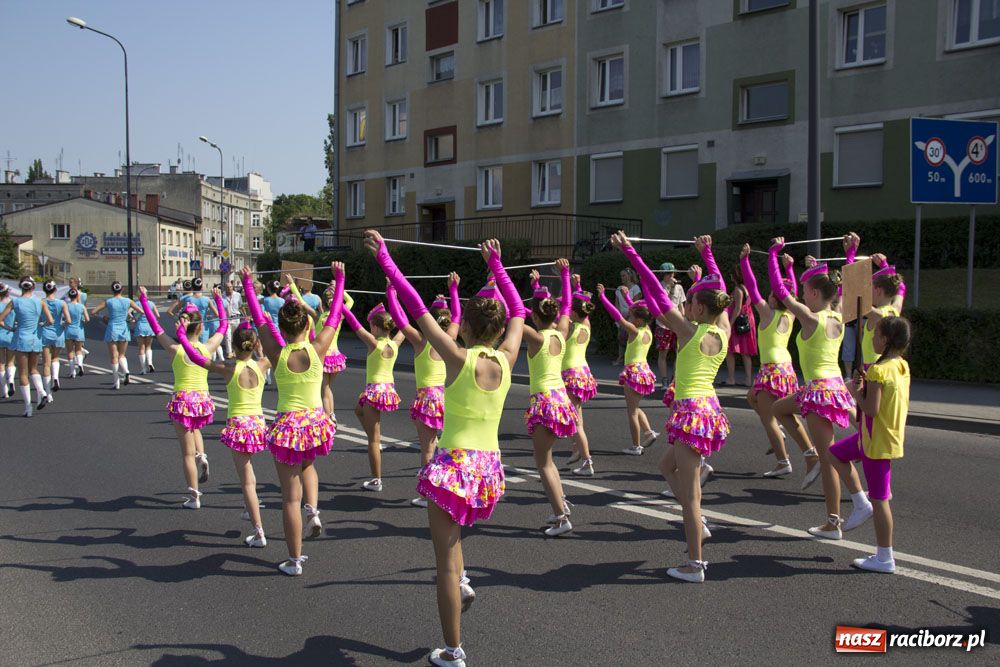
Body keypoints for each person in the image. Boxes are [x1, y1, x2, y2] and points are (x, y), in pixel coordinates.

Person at [367, 230, 522, 667]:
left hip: (454, 466)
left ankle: (453, 650)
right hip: (489, 470)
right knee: (454, 549)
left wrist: (385, 257)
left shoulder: (457, 359)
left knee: (443, 565)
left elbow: (416, 307)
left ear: (467, 328)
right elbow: (520, 311)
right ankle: (466, 581)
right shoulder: (508, 359)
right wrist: (496, 266)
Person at [614, 232, 731, 583]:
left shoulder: (689, 332)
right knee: (667, 467)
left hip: (693, 411)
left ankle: (695, 563)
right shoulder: (722, 329)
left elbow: (655, 289)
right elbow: (708, 288)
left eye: (692, 302)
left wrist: (631, 253)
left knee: (691, 496)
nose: (686, 306)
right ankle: (698, 523)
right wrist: (707, 255)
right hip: (708, 407)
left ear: (697, 307)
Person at [242, 263, 342, 576]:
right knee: (309, 465)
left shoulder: (276, 352)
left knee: (288, 499)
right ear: (306, 325)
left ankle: (294, 559)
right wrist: (339, 281)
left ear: (283, 330)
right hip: (314, 424)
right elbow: (335, 313)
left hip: (288, 426)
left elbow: (259, 318)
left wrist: (248, 283)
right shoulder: (319, 348)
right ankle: (313, 511)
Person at [767, 238, 857, 540]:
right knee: (777, 408)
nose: (800, 296)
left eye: (804, 291)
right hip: (831, 387)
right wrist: (849, 254)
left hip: (819, 392)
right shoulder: (839, 313)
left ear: (815, 293)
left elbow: (781, 292)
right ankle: (811, 455)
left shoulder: (811, 318)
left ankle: (834, 522)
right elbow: (851, 286)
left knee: (830, 458)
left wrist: (774, 255)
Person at [176, 320, 272, 548]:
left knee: (246, 480)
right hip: (258, 424)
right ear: (255, 344)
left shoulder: (229, 368)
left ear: (235, 347)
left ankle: (259, 533)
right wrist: (266, 326)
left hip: (239, 426)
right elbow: (277, 345)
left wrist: (181, 334)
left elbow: (198, 358)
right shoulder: (264, 364)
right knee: (250, 475)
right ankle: (252, 509)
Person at [829, 316, 911, 573]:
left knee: (881, 500)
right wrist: (864, 386)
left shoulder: (878, 370)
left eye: (875, 335)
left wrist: (856, 392)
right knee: (834, 454)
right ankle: (859, 501)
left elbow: (871, 409)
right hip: (878, 436)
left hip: (875, 442)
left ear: (885, 340)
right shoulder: (900, 366)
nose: (872, 339)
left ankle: (885, 557)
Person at [737, 245, 820, 481]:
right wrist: (790, 268)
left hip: (771, 369)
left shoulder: (767, 313)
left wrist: (745, 261)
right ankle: (784, 436)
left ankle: (786, 460)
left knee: (768, 417)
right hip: (786, 368)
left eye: (772, 293)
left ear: (775, 296)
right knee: (751, 397)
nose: (769, 295)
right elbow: (790, 292)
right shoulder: (791, 314)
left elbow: (751, 287)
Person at [139, 288, 225, 508]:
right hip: (203, 400)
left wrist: (144, 300)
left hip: (183, 400)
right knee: (195, 428)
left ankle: (194, 496)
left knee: (186, 453)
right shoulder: (208, 347)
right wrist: (218, 300)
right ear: (202, 327)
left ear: (182, 327)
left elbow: (155, 326)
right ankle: (203, 455)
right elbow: (223, 325)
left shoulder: (176, 349)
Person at [385, 274, 461, 508]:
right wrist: (453, 290)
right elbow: (457, 315)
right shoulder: (451, 339)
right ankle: (448, 487)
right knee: (446, 446)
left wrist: (391, 293)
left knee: (428, 449)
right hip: (448, 398)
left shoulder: (421, 340)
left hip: (428, 399)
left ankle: (430, 493)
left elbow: (399, 319)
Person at [522, 260, 577, 536]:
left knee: (543, 462)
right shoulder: (562, 333)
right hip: (561, 400)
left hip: (544, 402)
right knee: (549, 460)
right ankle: (561, 505)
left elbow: (514, 312)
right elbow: (566, 305)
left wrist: (495, 280)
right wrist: (565, 275)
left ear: (534, 315)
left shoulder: (536, 339)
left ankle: (560, 516)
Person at [347, 289, 405, 492]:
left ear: (377, 327)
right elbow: (404, 323)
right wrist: (393, 296)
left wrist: (343, 308)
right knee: (357, 410)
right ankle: (376, 441)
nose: (368, 327)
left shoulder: (374, 343)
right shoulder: (395, 342)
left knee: (373, 439)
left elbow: (354, 325)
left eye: (371, 324)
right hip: (387, 389)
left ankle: (376, 480)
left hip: (375, 391)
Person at [597, 284, 658, 456]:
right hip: (644, 370)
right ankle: (649, 432)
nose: (628, 318)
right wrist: (626, 296)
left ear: (637, 320)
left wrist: (602, 297)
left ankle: (636, 446)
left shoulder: (634, 331)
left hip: (633, 372)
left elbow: (618, 317)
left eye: (631, 316)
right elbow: (638, 310)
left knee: (631, 411)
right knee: (636, 407)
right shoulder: (647, 329)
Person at [0, 277, 54, 415]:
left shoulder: (15, 302)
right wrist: (41, 325)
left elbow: (0, 318)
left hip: (21, 338)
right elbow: (50, 320)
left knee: (23, 373)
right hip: (35, 339)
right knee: (34, 369)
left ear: (20, 287)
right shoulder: (40, 302)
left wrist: (10, 328)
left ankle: (28, 408)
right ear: (33, 287)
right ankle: (42, 392)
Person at [561, 273, 597, 477]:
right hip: (583, 371)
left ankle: (587, 461)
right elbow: (581, 304)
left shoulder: (572, 328)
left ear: (574, 314)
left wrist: (569, 283)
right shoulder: (586, 324)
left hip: (571, 374)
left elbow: (566, 306)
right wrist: (579, 285)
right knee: (576, 417)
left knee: (577, 422)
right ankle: (577, 450)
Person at [90, 281, 140, 390]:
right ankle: (126, 371)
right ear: (122, 289)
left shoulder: (109, 301)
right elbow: (141, 311)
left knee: (114, 356)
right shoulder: (128, 301)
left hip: (112, 328)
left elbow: (93, 311)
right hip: (123, 328)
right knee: (122, 354)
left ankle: (116, 382)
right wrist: (132, 318)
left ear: (112, 290)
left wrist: (103, 317)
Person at [319, 283, 354, 422]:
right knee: (328, 388)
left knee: (325, 388)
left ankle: (329, 416)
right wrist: (340, 289)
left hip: (324, 356)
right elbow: (351, 301)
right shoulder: (339, 315)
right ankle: (331, 414)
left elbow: (315, 337)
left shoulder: (321, 318)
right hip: (335, 356)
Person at [654, 263, 686, 390]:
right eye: (668, 273)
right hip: (663, 325)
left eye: (673, 273)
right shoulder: (660, 287)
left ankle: (675, 379)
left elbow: (681, 306)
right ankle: (664, 380)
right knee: (663, 354)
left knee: (679, 353)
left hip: (677, 325)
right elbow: (663, 303)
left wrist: (683, 320)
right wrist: (671, 289)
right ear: (663, 274)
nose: (672, 275)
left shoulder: (679, 287)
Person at [725, 264, 757, 387]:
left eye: (732, 274)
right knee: (745, 351)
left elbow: (737, 308)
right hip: (748, 320)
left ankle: (731, 378)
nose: (730, 276)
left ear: (735, 276)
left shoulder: (738, 289)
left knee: (730, 350)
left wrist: (730, 323)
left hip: (739, 321)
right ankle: (748, 379)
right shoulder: (747, 288)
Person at [39, 281, 71, 397]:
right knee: (56, 358)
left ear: (44, 290)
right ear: (55, 290)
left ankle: (48, 393)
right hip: (58, 333)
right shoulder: (62, 303)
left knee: (46, 364)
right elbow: (68, 320)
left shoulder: (41, 302)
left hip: (45, 333)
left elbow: (38, 318)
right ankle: (56, 378)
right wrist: (62, 325)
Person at [613, 268, 642, 365]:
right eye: (621, 276)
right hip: (621, 317)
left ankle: (630, 359)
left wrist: (629, 317)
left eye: (624, 275)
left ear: (629, 276)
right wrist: (619, 316)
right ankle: (620, 358)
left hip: (632, 316)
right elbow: (616, 304)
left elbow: (635, 304)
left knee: (630, 338)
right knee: (620, 337)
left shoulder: (636, 288)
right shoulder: (618, 289)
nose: (622, 278)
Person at [64, 289, 90, 378]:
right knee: (78, 350)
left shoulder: (66, 306)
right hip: (79, 330)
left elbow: (64, 318)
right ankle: (80, 364)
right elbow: (87, 319)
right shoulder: (81, 307)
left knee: (70, 351)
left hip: (69, 330)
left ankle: (72, 372)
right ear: (77, 296)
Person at [133, 293, 158, 374]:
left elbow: (128, 312)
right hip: (149, 326)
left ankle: (143, 368)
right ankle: (150, 363)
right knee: (148, 346)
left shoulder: (137, 303)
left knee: (141, 348)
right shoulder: (151, 303)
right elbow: (158, 315)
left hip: (140, 326)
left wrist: (134, 318)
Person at [0, 284, 15, 398]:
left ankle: (4, 391)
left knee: (1, 363)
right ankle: (11, 381)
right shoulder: (13, 305)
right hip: (11, 336)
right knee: (10, 362)